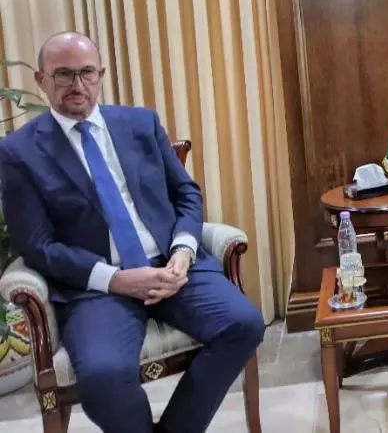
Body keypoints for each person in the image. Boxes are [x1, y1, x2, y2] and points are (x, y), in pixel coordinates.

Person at [0, 32, 265, 433]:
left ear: (101, 74)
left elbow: (186, 194)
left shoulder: (141, 123)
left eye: (87, 72)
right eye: (64, 74)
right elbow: (37, 244)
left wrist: (183, 251)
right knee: (103, 377)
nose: (77, 84)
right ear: (41, 80)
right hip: (97, 288)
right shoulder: (19, 152)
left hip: (172, 268)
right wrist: (115, 279)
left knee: (244, 324)